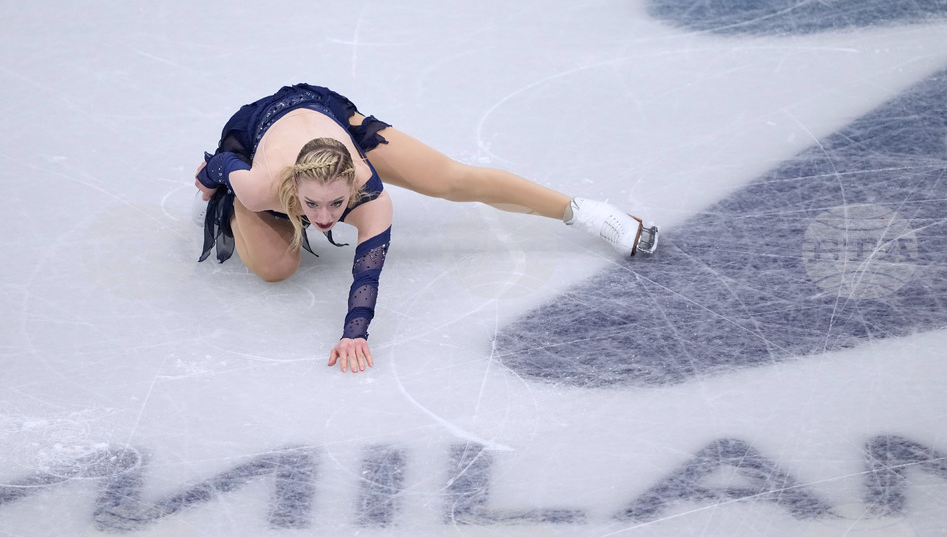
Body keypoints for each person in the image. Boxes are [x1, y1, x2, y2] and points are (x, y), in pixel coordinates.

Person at [194, 84, 657, 374]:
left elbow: (367, 272)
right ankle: (250, 202)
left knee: (451, 178)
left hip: (324, 114)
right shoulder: (264, 186)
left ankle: (587, 212)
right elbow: (221, 162)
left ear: (356, 179)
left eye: (338, 204)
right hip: (260, 135)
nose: (324, 220)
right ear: (294, 185)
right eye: (311, 206)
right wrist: (212, 173)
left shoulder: (372, 196)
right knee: (277, 269)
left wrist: (356, 332)